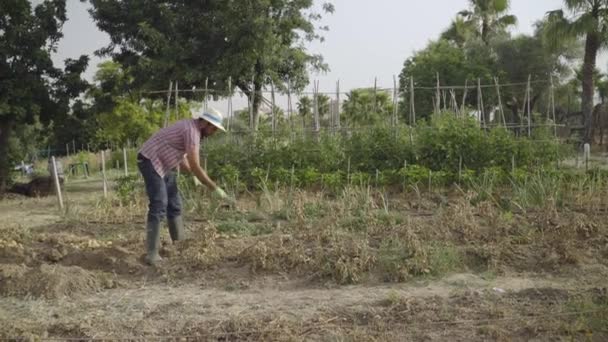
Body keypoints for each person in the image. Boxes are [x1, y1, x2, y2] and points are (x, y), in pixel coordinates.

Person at [137, 107, 233, 265]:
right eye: (213, 128)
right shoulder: (192, 131)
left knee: (174, 204)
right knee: (159, 203)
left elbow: (183, 159)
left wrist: (194, 175)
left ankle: (179, 245)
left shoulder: (191, 128)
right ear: (205, 123)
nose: (214, 132)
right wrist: (214, 188)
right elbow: (195, 165)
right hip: (150, 160)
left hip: (163, 164)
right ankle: (152, 254)